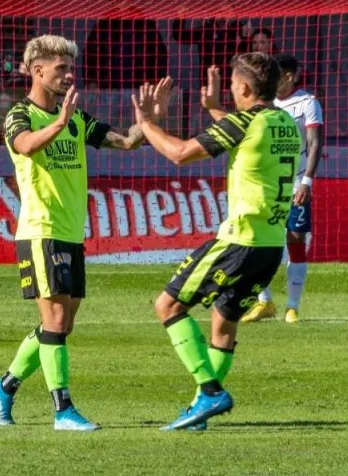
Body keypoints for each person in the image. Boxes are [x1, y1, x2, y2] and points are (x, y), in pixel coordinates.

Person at [0, 34, 150, 431]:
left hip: (72, 232)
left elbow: (124, 142)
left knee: (61, 324)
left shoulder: (75, 117)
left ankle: (3, 387)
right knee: (56, 319)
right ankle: (63, 411)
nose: (69, 75)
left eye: (70, 69)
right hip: (41, 230)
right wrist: (58, 123)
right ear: (37, 70)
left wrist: (148, 125)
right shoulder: (19, 115)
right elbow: (23, 146)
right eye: (61, 69)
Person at [131, 52, 301, 431]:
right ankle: (199, 413)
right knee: (223, 327)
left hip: (239, 241)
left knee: (168, 305)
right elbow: (242, 131)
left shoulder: (245, 123)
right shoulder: (284, 121)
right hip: (271, 246)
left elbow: (179, 154)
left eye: (232, 87)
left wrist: (146, 123)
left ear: (243, 87)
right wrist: (212, 109)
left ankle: (209, 391)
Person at [240, 54, 323, 324]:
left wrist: (307, 182)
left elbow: (314, 143)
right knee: (258, 241)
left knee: (295, 239)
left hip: (296, 182)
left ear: (288, 76)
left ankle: (292, 306)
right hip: (266, 183)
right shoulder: (265, 104)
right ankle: (264, 302)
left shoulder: (308, 103)